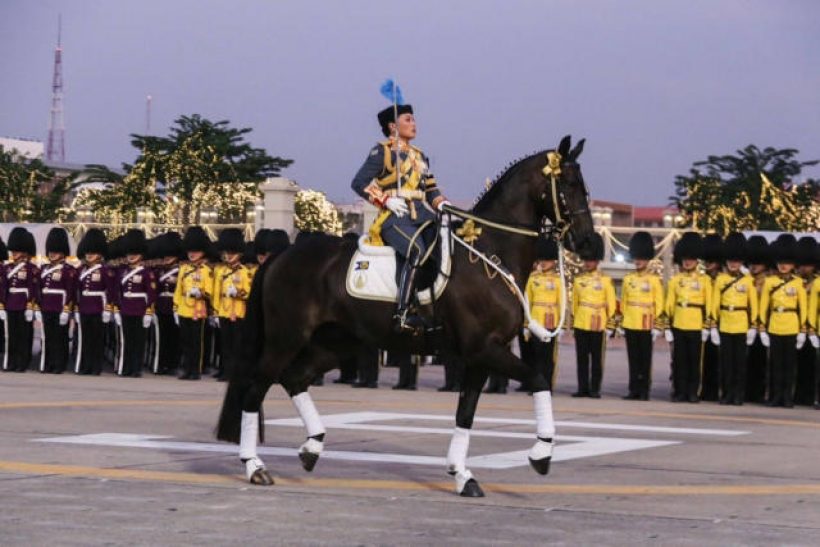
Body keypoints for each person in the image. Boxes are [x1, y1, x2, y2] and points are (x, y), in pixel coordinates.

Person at [351, 101, 450, 333]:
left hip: (423, 215)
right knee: (416, 251)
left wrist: (442, 204)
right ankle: (403, 312)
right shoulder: (382, 151)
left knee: (446, 247)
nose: (413, 123)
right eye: (408, 119)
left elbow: (431, 190)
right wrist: (384, 200)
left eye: (413, 119)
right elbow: (359, 182)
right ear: (392, 126)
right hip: (395, 217)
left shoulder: (420, 156)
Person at [759, 234, 807, 408]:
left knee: (789, 365)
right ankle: (776, 396)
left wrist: (803, 330)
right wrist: (762, 327)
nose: (783, 265)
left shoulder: (798, 283)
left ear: (793, 264)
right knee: (775, 365)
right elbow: (764, 306)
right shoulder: (770, 282)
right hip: (775, 325)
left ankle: (787, 397)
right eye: (780, 261)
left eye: (786, 262)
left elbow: (803, 308)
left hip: (792, 325)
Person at [710, 233, 758, 405]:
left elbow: (753, 305)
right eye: (731, 260)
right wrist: (713, 325)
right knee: (726, 363)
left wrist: (753, 326)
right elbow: (715, 303)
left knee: (739, 363)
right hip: (725, 322)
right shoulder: (721, 280)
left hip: (741, 324)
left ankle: (738, 394)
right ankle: (727, 393)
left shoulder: (747, 281)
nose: (733, 263)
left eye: (737, 261)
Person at [665, 232, 712, 403]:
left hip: (696, 323)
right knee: (679, 361)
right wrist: (666, 326)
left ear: (697, 260)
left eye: (691, 258)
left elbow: (710, 305)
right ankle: (679, 391)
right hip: (679, 322)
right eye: (685, 258)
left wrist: (707, 326)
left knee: (694, 361)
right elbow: (669, 304)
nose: (687, 261)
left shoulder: (704, 280)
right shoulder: (675, 280)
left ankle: (693, 392)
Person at [571, 233, 616, 398]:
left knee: (597, 359)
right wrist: (574, 322)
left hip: (598, 323)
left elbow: (611, 305)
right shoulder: (578, 280)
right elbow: (574, 304)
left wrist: (610, 325)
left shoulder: (605, 281)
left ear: (597, 260)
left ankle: (595, 388)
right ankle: (582, 387)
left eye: (590, 260)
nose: (588, 263)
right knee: (581, 359)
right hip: (581, 323)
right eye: (586, 260)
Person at [621, 231, 664, 401]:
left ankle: (645, 389)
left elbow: (659, 304)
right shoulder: (628, 279)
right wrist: (623, 322)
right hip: (631, 322)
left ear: (647, 259)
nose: (638, 261)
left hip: (646, 323)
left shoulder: (653, 280)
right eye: (636, 257)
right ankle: (633, 389)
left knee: (645, 360)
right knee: (633, 359)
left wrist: (656, 324)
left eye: (641, 258)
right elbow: (624, 302)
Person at [114, 229, 156, 378]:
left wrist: (148, 312)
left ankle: (136, 368)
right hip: (125, 309)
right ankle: (126, 367)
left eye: (134, 253)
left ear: (141, 255)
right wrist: (117, 309)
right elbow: (117, 292)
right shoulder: (123, 272)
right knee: (127, 341)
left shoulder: (146, 273)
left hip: (139, 310)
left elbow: (151, 294)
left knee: (138, 341)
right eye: (129, 253)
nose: (131, 256)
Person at [212, 228, 253, 382]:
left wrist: (237, 293)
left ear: (239, 254)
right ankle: (225, 371)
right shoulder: (220, 271)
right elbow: (216, 293)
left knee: (237, 346)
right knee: (225, 345)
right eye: (227, 253)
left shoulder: (244, 272)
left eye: (232, 253)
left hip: (238, 312)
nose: (228, 256)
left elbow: (248, 293)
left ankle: (235, 372)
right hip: (223, 311)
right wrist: (215, 312)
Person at [523, 237, 563, 393]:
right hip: (536, 321)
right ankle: (536, 385)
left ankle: (547, 385)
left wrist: (560, 326)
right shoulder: (533, 279)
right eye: (542, 259)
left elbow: (561, 303)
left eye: (547, 259)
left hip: (551, 321)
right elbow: (528, 303)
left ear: (553, 261)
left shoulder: (558, 280)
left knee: (548, 358)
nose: (544, 262)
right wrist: (526, 325)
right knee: (535, 357)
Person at [174, 227, 213, 380]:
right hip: (184, 308)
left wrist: (200, 293)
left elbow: (209, 291)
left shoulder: (206, 270)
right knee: (186, 341)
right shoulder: (184, 269)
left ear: (202, 252)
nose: (192, 253)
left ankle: (196, 369)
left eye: (196, 251)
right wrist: (176, 307)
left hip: (198, 309)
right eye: (190, 250)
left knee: (197, 342)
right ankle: (187, 369)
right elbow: (179, 289)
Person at [38, 227, 77, 374]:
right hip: (46, 307)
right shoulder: (43, 269)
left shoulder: (68, 270)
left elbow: (70, 291)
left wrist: (67, 309)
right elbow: (39, 289)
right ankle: (47, 363)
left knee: (60, 338)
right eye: (51, 251)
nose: (52, 253)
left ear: (62, 252)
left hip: (60, 308)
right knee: (47, 337)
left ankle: (59, 364)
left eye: (56, 251)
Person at [75, 229, 111, 375]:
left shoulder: (104, 271)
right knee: (85, 339)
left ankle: (96, 366)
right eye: (87, 252)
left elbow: (111, 291)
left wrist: (108, 309)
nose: (89, 254)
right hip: (84, 307)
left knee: (97, 339)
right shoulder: (81, 270)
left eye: (93, 252)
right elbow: (75, 290)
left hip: (98, 307)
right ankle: (85, 365)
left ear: (100, 254)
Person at [3, 227, 38, 372]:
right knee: (12, 336)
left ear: (25, 251)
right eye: (13, 250)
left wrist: (31, 305)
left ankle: (22, 362)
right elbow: (4, 287)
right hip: (11, 304)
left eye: (17, 250)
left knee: (24, 335)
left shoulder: (31, 269)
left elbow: (33, 288)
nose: (14, 253)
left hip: (24, 304)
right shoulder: (8, 268)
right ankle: (12, 361)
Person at [744, 235, 770, 403]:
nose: (754, 266)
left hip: (764, 326)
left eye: (758, 263)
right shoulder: (745, 280)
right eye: (752, 263)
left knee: (761, 361)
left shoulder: (768, 282)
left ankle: (759, 393)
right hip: (744, 324)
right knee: (745, 361)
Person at [154, 232, 183, 375]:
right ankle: (162, 363)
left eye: (170, 256)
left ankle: (173, 364)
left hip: (175, 306)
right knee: (162, 337)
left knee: (174, 337)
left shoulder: (181, 271)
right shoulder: (159, 271)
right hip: (161, 305)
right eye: (165, 256)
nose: (167, 258)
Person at [699, 234, 723, 401]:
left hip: (722, 322)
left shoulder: (723, 279)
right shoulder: (702, 279)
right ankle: (705, 389)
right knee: (703, 359)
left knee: (719, 359)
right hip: (701, 322)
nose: (709, 264)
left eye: (711, 261)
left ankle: (716, 390)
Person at [794, 236, 818, 405]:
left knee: (812, 364)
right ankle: (798, 394)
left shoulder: (816, 282)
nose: (804, 268)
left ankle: (810, 395)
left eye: (807, 265)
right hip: (794, 325)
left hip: (813, 327)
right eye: (802, 264)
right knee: (796, 364)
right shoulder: (793, 281)